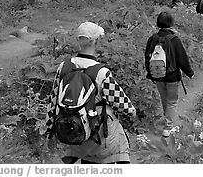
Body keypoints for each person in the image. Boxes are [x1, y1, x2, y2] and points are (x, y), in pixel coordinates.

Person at [45, 22, 137, 164]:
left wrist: (49, 128)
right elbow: (124, 106)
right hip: (100, 139)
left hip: (75, 134)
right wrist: (132, 113)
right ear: (96, 41)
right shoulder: (101, 72)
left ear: (78, 41)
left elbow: (53, 100)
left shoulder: (64, 66)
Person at [145, 11, 194, 138]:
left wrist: (149, 73)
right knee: (172, 101)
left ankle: (167, 119)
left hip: (157, 74)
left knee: (164, 99)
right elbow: (182, 58)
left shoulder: (153, 38)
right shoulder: (174, 39)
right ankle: (168, 127)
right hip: (172, 75)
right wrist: (189, 72)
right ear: (171, 23)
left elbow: (147, 57)